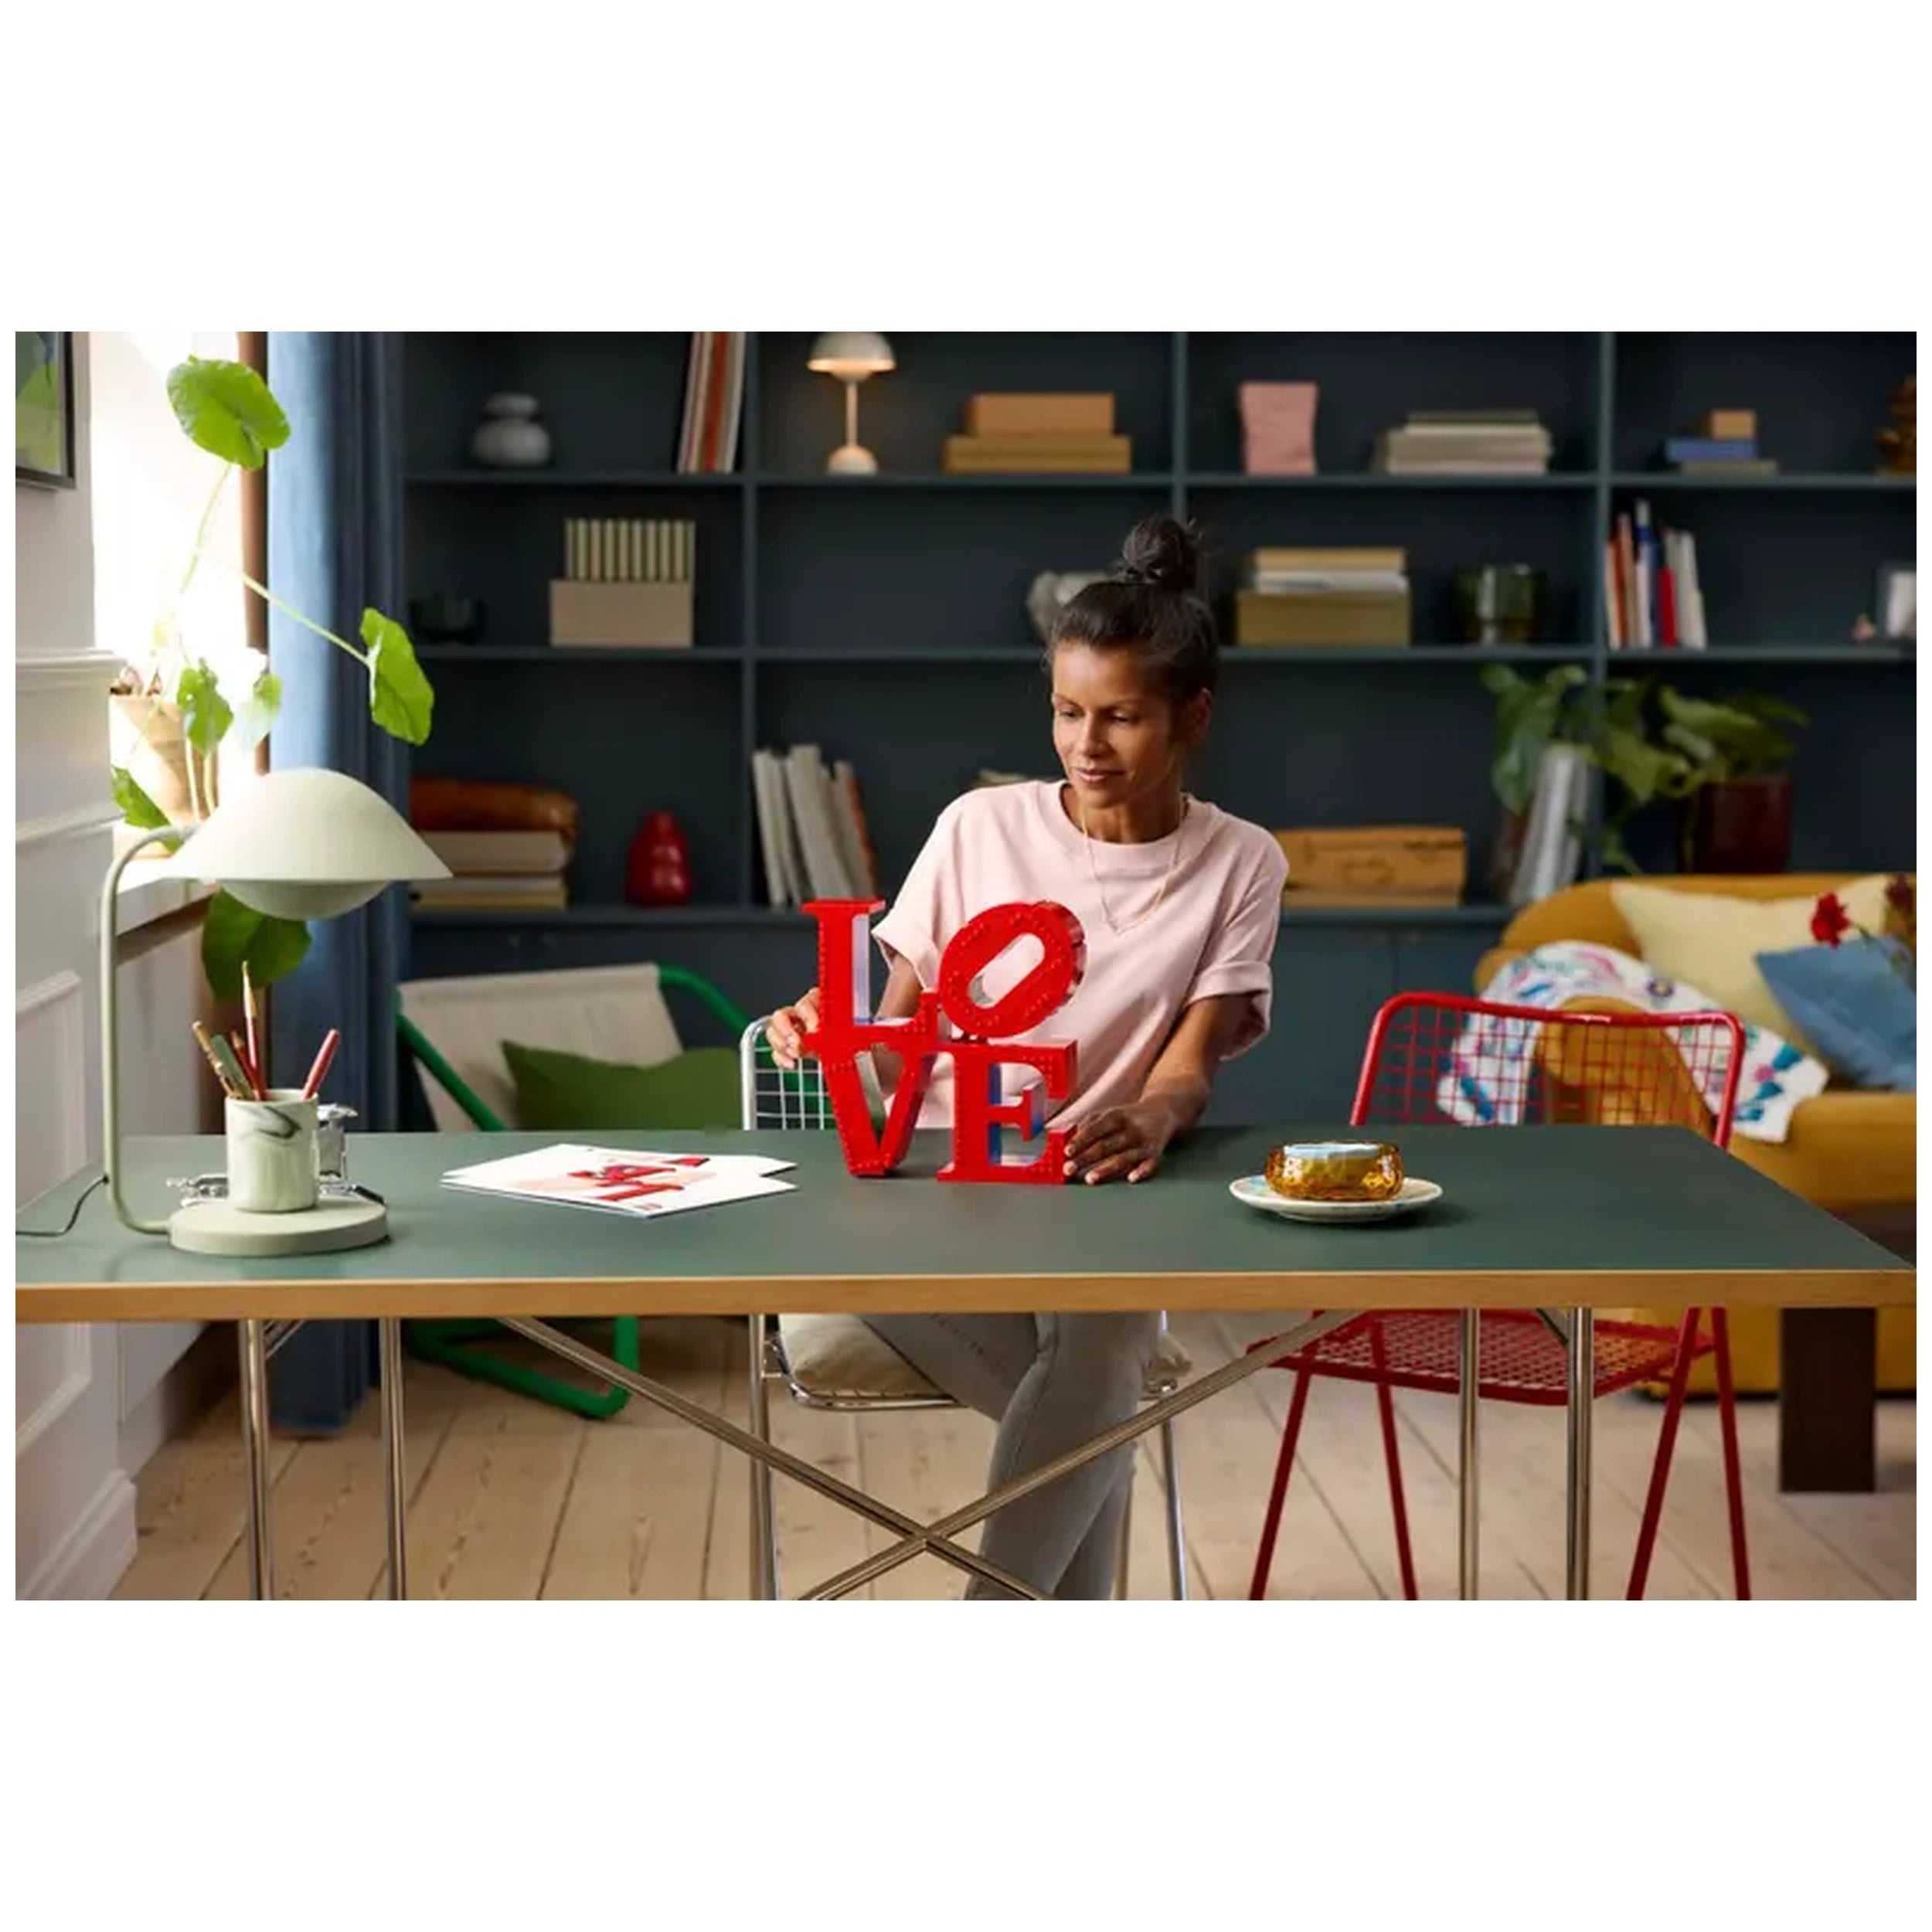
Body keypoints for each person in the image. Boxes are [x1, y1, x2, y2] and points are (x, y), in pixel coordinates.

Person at [767, 513, 1288, 1599]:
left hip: (1094, 1204)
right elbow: (891, 1047)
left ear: (1194, 716)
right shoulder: (976, 828)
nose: (1086, 745)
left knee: (1099, 1361)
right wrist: (822, 1030)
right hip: (927, 1198)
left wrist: (1151, 1118)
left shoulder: (1242, 862)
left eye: (1122, 718)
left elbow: (1187, 1070)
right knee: (1106, 1385)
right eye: (1065, 712)